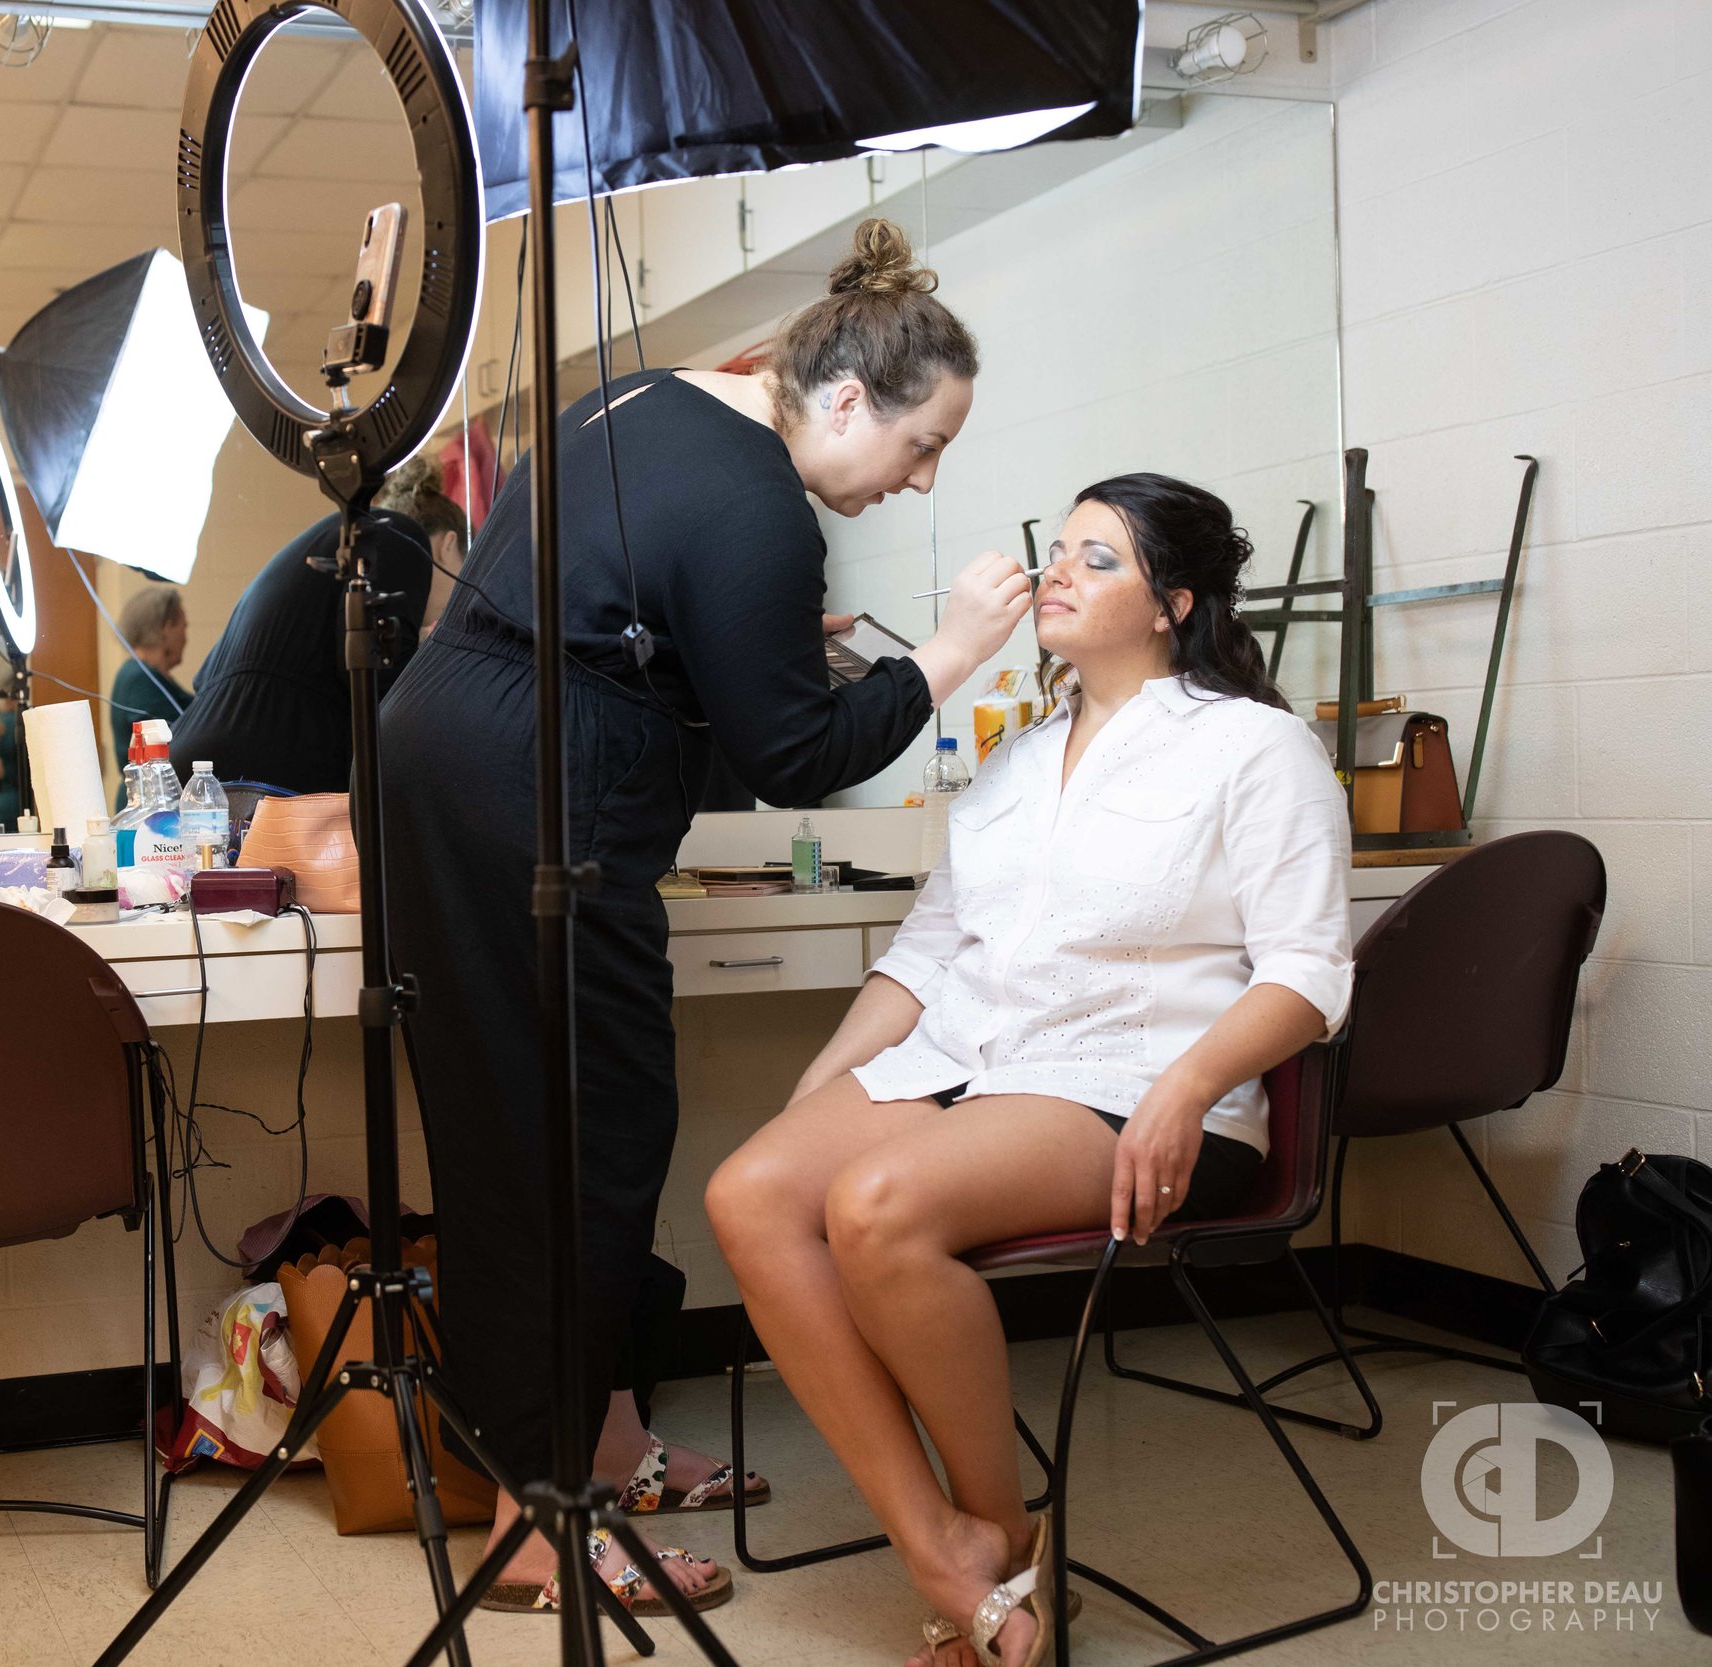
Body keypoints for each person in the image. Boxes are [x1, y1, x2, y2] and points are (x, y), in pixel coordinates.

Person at [381, 218, 1031, 1613]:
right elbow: (796, 754)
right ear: (847, 398)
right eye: (923, 446)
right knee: (580, 1143)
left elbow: (639, 617)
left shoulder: (653, 394)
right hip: (535, 792)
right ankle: (539, 1517)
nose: (919, 483)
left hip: (459, 748)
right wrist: (950, 654)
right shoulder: (757, 507)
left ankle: (598, 1448)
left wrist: (782, 663)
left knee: (541, 1127)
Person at [706, 475, 1354, 1667]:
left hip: (1138, 1081)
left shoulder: (1255, 748)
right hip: (971, 1061)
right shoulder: (1011, 762)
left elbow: (1310, 973)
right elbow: (925, 952)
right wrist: (820, 1087)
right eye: (1056, 550)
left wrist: (1182, 1086)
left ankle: (998, 1531)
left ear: (1174, 601)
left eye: (1095, 559)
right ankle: (941, 1545)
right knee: (750, 1192)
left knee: (877, 1205)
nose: (1055, 571)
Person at [167, 457, 456, 793]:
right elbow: (381, 686)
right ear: (449, 545)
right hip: (262, 773)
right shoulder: (398, 533)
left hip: (195, 765)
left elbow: (203, 677)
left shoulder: (327, 542)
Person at [109, 585, 192, 766]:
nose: (186, 638)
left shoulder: (143, 675)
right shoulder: (140, 679)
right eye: (183, 627)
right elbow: (176, 745)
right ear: (166, 628)